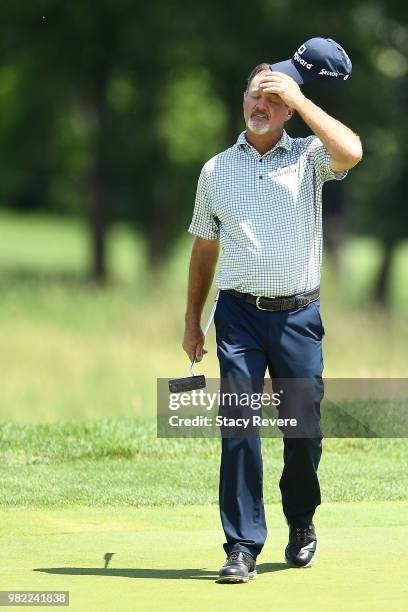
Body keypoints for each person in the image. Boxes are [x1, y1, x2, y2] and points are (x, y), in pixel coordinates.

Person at [182, 46, 362, 583]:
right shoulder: (216, 170)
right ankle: (241, 546)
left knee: (303, 432)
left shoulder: (309, 157)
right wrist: (192, 321)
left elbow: (351, 151)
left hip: (298, 317)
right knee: (238, 427)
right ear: (242, 103)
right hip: (237, 316)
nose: (259, 104)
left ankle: (301, 520)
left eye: (271, 98)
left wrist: (301, 99)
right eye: (253, 96)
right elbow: (203, 250)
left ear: (287, 109)